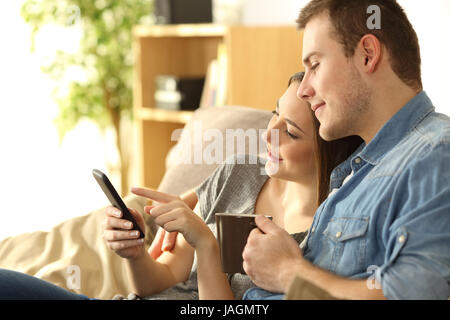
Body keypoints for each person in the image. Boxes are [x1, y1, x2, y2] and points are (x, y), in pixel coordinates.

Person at [0, 72, 362, 299]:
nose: (269, 133)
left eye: (291, 132)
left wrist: (206, 245)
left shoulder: (322, 235)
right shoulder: (240, 172)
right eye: (274, 114)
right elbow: (155, 281)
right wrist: (135, 254)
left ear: (327, 153)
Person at [241, 0, 450, 300]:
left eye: (314, 65)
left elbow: (408, 295)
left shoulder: (435, 153)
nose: (303, 89)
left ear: (367, 55)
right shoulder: (356, 172)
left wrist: (289, 272)